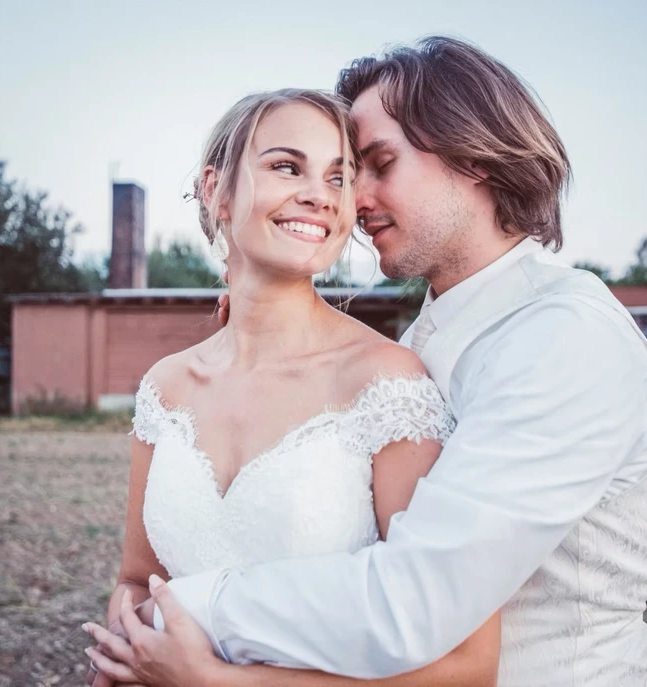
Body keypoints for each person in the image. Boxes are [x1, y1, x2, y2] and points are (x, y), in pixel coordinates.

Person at [85, 37, 647, 686]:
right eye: (350, 173)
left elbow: (415, 600)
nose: (351, 199)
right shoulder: (428, 334)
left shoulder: (565, 339)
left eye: (374, 165)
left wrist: (189, 623)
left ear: (472, 156)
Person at [83, 87, 502, 687]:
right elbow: (138, 582)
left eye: (338, 177)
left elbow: (466, 666)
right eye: (286, 166)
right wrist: (122, 653)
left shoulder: (388, 384)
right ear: (216, 190)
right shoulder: (166, 388)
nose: (319, 195)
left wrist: (209, 681)